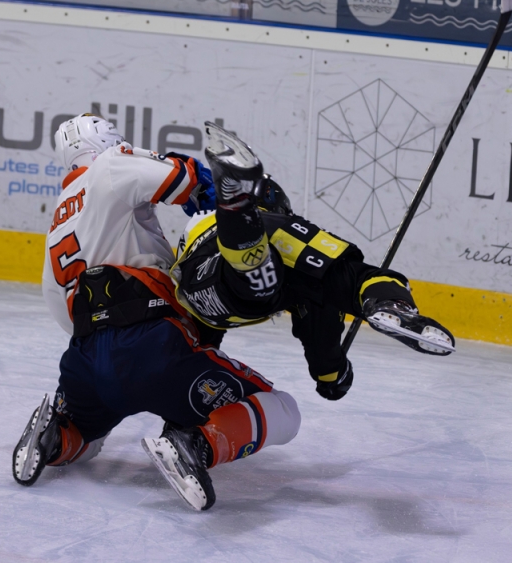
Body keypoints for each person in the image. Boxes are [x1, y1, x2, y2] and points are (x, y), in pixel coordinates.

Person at [12, 113, 301, 511]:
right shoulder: (110, 165)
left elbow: (61, 309)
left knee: (88, 440)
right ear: (106, 140)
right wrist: (229, 202)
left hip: (83, 360)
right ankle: (198, 443)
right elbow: (181, 176)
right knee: (285, 410)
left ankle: (56, 438)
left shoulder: (61, 217)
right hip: (150, 346)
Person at [165, 122, 455, 404]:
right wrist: (332, 377)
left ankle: (238, 216)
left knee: (244, 288)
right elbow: (321, 332)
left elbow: (201, 345)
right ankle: (390, 304)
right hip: (249, 263)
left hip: (196, 284)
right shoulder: (280, 223)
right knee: (351, 277)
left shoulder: (204, 211)